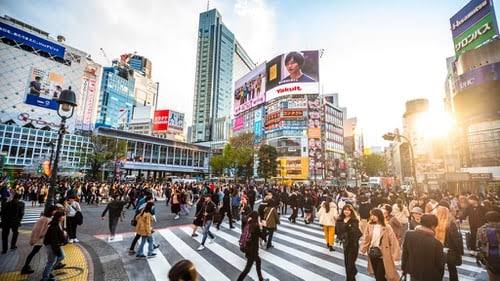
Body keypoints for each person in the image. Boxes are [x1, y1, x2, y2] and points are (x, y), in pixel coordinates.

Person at [360, 208, 400, 281]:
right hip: (372, 252)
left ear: (379, 216)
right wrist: (363, 249)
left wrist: (395, 256)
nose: (372, 217)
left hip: (383, 253)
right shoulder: (369, 225)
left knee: (380, 276)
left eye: (374, 215)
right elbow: (366, 238)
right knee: (376, 274)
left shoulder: (387, 227)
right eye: (371, 215)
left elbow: (393, 241)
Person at [401, 214, 445, 281]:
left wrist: (404, 269)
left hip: (413, 272)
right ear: (433, 226)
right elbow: (440, 265)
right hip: (430, 276)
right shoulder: (437, 243)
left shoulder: (409, 234)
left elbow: (405, 254)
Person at [22, 205, 57, 274]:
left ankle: (26, 266)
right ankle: (25, 267)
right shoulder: (44, 219)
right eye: (54, 210)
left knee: (34, 252)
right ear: (51, 211)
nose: (55, 212)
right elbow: (37, 230)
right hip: (40, 239)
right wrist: (35, 239)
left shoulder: (46, 218)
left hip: (42, 238)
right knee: (34, 252)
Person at [237, 211, 269, 281]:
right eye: (258, 217)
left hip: (248, 248)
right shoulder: (256, 226)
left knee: (258, 261)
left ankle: (261, 279)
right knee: (247, 269)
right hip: (252, 251)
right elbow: (263, 236)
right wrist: (264, 227)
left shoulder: (249, 224)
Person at [435, 204, 463, 281]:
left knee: (440, 268)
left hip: (438, 249)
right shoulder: (451, 224)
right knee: (452, 268)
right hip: (450, 249)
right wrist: (459, 251)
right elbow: (456, 239)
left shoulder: (434, 224)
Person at [335, 204, 362, 281]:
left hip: (353, 244)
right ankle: (350, 275)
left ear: (351, 211)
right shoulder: (339, 220)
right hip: (345, 244)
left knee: (350, 263)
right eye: (345, 210)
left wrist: (346, 229)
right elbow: (337, 231)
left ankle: (351, 279)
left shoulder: (354, 220)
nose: (346, 211)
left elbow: (355, 231)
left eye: (348, 210)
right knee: (347, 263)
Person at [42, 211, 67, 281]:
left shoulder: (58, 223)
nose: (64, 217)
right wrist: (57, 249)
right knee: (51, 261)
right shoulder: (54, 225)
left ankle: (48, 272)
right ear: (59, 217)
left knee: (61, 257)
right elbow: (54, 239)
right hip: (51, 245)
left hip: (55, 245)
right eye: (63, 216)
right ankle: (45, 278)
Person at [476, 211, 500, 281]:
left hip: (488, 256)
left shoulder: (481, 230)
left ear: (487, 219)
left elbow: (478, 244)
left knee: (492, 276)